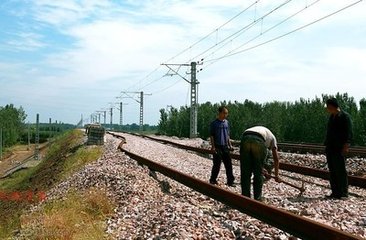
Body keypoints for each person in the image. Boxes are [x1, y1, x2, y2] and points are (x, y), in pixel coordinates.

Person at [240, 126, 281, 201]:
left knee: (245, 171)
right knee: (258, 173)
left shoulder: (262, 130)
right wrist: (276, 175)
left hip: (245, 137)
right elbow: (276, 159)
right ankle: (257, 199)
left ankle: (245, 197)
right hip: (258, 139)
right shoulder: (273, 139)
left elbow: (251, 159)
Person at [324, 98, 353, 200]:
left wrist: (346, 146)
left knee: (340, 170)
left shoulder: (345, 117)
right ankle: (335, 192)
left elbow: (348, 133)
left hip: (339, 148)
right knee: (332, 170)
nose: (327, 109)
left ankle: (344, 193)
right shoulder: (332, 117)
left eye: (328, 106)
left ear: (332, 106)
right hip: (330, 147)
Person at [209, 106, 235, 186]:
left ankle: (230, 181)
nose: (226, 114)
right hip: (217, 146)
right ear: (220, 113)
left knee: (228, 164)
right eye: (224, 113)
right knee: (217, 164)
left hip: (225, 146)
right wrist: (213, 147)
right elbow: (212, 136)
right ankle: (213, 180)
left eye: (226, 113)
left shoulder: (226, 123)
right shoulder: (214, 123)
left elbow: (227, 135)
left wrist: (230, 145)